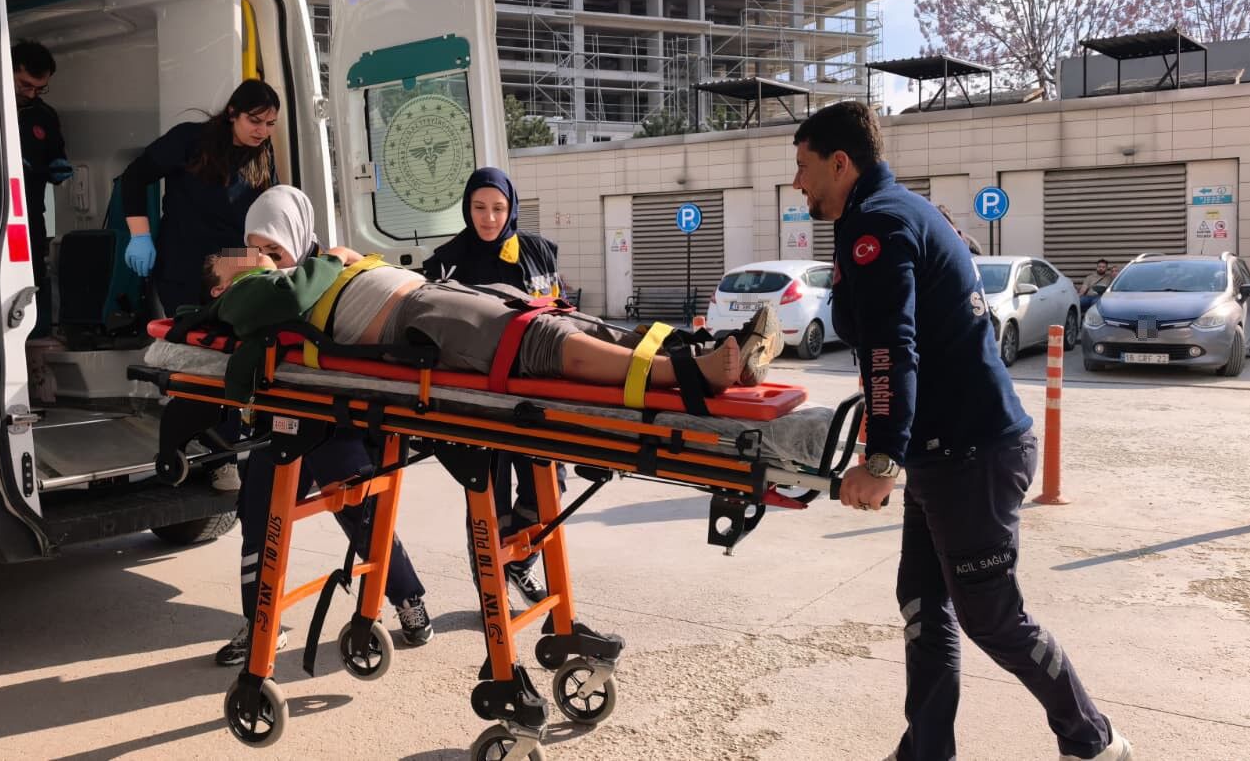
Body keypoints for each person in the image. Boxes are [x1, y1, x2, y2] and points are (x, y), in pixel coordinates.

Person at [791, 102, 1130, 761]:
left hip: (971, 454)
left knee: (991, 616)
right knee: (923, 604)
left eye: (804, 166)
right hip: (944, 453)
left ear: (841, 162)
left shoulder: (881, 225)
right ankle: (926, 752)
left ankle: (1093, 740)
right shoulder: (894, 213)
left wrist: (882, 459)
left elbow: (891, 349)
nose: (798, 183)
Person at [213, 185, 436, 666]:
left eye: (275, 249)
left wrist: (331, 263)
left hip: (335, 419)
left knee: (361, 510)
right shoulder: (258, 279)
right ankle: (261, 621)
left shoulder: (340, 274)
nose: (265, 259)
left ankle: (407, 598)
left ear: (298, 237)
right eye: (255, 248)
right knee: (258, 517)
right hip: (277, 418)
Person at [199, 249, 774, 406]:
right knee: (543, 342)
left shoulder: (278, 276)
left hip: (426, 297)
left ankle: (709, 347)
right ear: (219, 287)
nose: (254, 255)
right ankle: (696, 374)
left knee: (559, 319)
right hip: (413, 320)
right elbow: (291, 294)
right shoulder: (241, 298)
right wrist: (335, 258)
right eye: (238, 258)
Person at [426, 168, 564, 604]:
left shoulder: (538, 251)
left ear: (512, 209)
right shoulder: (445, 261)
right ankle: (491, 592)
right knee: (486, 498)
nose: (488, 218)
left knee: (550, 489)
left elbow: (560, 309)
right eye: (479, 208)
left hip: (533, 393)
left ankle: (519, 564)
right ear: (467, 208)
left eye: (498, 208)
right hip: (476, 396)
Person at [120, 79, 279, 317]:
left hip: (233, 265)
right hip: (184, 261)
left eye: (270, 124)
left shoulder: (263, 152)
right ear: (232, 113)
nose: (263, 131)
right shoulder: (189, 139)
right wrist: (140, 236)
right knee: (190, 333)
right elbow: (134, 177)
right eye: (254, 121)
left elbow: (271, 202)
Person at [12, 41, 73, 338]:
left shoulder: (44, 116)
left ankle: (36, 336)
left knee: (33, 277)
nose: (31, 94)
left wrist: (58, 168)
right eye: (25, 85)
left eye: (39, 88)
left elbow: (56, 159)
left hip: (30, 216)